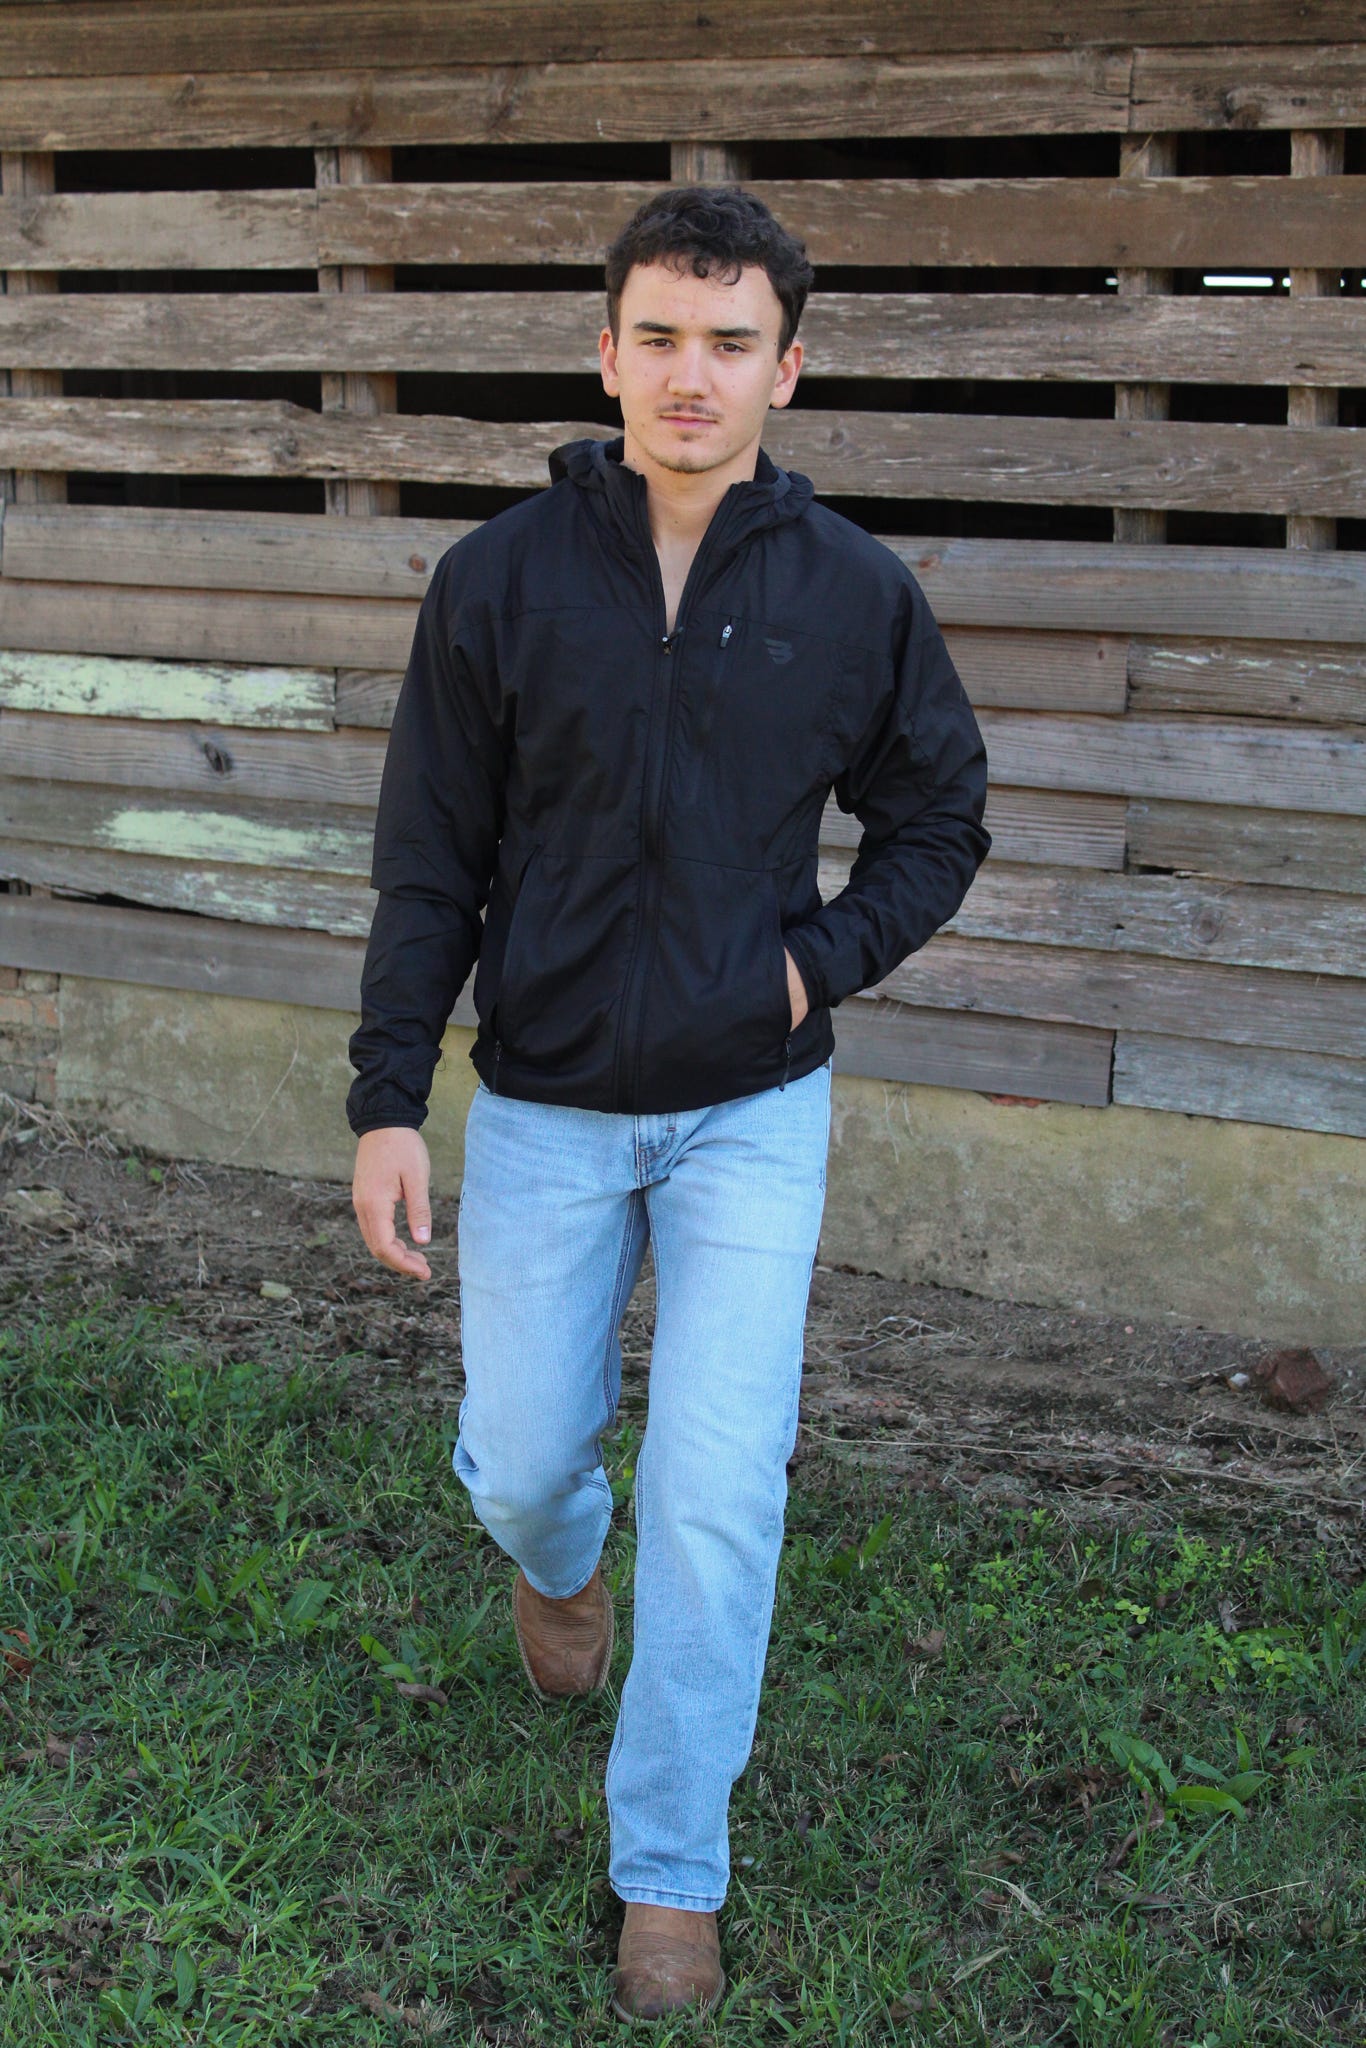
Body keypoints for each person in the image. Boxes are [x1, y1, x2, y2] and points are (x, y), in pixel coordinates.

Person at [347, 184, 989, 2021]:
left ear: (788, 367)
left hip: (748, 1110)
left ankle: (669, 1871)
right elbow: (427, 856)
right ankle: (557, 1573)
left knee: (715, 1491)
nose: (688, 374)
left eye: (728, 342)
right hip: (544, 1102)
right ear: (605, 352)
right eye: (656, 337)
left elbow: (938, 819)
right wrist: (388, 1097)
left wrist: (806, 969)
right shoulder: (498, 580)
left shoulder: (853, 593)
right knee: (524, 1461)